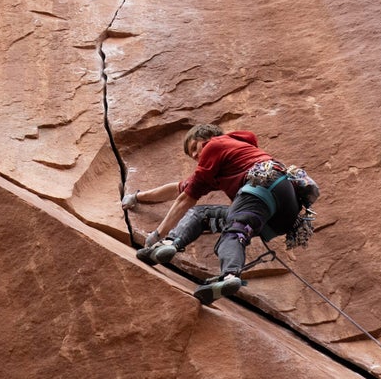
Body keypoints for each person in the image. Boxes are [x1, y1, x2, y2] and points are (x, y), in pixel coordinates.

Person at [123, 124, 301, 305]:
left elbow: (185, 199)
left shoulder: (214, 145)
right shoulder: (233, 156)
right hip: (284, 211)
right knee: (209, 216)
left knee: (228, 230)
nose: (194, 155)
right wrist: (137, 197)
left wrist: (156, 235)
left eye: (194, 147)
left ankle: (173, 246)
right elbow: (179, 188)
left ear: (206, 138)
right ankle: (175, 247)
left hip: (261, 186)